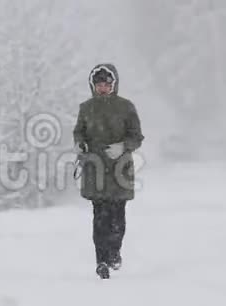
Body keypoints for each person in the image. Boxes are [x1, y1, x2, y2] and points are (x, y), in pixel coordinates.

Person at [73, 63, 144, 279]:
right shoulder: (86, 108)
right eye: (99, 84)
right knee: (99, 218)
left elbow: (136, 136)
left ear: (114, 84)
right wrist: (80, 144)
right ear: (93, 85)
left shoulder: (126, 107)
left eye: (106, 83)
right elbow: (79, 133)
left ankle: (114, 252)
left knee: (118, 219)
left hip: (120, 171)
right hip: (95, 170)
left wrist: (123, 146)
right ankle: (101, 261)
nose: (102, 88)